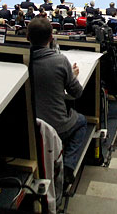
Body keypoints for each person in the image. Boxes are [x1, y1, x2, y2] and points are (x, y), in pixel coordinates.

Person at [27, 17, 85, 186]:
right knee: (81, 122)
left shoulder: (19, 60)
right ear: (51, 38)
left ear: (27, 37)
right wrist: (71, 75)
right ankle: (68, 166)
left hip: (28, 129)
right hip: (56, 128)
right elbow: (77, 93)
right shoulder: (60, 61)